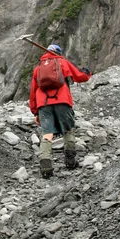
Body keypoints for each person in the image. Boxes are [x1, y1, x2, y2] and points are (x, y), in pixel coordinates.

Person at [29, 44, 92, 178]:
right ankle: (70, 161)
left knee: (47, 134)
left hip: (43, 104)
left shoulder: (38, 68)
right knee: (67, 129)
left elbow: (33, 91)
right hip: (62, 101)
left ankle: (46, 165)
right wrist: (87, 71)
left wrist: (35, 111)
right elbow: (81, 76)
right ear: (58, 52)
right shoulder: (63, 62)